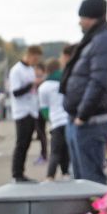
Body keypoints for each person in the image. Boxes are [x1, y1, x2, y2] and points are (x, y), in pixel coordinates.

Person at [61, 0, 107, 183]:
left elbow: (99, 80)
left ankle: (98, 213)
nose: (79, 22)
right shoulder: (96, 39)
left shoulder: (104, 41)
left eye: (82, 17)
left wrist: (83, 114)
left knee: (91, 181)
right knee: (81, 180)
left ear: (92, 17)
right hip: (80, 119)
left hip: (89, 121)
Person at [7, 44, 43, 183]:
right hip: (22, 111)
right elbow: (16, 92)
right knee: (21, 143)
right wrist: (32, 84)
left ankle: (21, 171)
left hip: (32, 110)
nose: (36, 62)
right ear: (30, 55)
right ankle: (17, 173)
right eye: (36, 58)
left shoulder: (30, 70)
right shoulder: (17, 70)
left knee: (27, 142)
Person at [40, 46, 72, 179]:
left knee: (55, 151)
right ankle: (66, 173)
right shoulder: (66, 81)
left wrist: (50, 120)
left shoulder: (44, 87)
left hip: (56, 121)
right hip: (68, 119)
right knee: (66, 150)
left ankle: (50, 176)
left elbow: (44, 110)